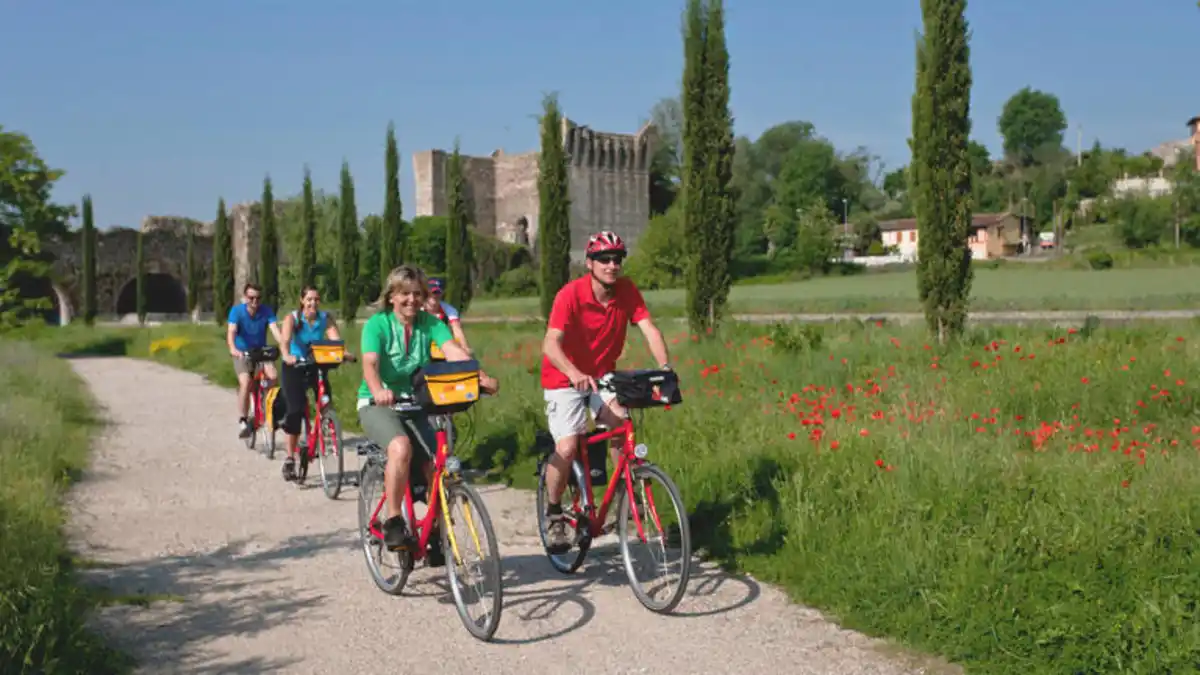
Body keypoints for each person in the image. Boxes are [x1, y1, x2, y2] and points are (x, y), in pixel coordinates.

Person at [539, 231, 671, 553]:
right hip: (563, 377)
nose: (612, 265)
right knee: (567, 447)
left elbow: (649, 329)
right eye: (604, 259)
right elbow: (550, 343)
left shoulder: (626, 291)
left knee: (621, 423)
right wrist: (573, 372)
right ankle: (554, 513)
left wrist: (665, 368)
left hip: (601, 376)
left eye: (617, 259)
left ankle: (625, 493)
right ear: (590, 263)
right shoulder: (570, 295)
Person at [357, 265, 499, 559]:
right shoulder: (377, 325)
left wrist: (480, 377)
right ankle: (394, 520)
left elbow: (454, 352)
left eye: (417, 294)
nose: (412, 300)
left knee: (440, 463)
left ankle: (436, 530)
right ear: (391, 296)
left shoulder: (430, 323)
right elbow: (370, 364)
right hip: (378, 403)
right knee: (400, 447)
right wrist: (378, 390)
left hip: (415, 401)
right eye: (405, 294)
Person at [278, 285, 343, 482]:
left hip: (316, 363)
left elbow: (335, 340)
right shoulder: (293, 318)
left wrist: (343, 353)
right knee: (295, 410)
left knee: (326, 400)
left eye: (316, 299)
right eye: (309, 299)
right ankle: (290, 458)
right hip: (295, 365)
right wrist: (286, 355)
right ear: (302, 301)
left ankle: (325, 429)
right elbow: (285, 340)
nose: (313, 303)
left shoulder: (325, 318)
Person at [227, 283, 284, 438]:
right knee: (246, 382)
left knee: (273, 377)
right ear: (245, 298)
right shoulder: (237, 311)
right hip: (242, 352)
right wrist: (233, 348)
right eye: (251, 298)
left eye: (258, 298)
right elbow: (231, 332)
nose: (254, 301)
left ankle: (267, 407)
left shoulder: (266, 311)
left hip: (261, 352)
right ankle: (243, 419)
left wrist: (284, 346)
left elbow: (275, 331)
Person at [423, 276, 473, 356]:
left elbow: (457, 329)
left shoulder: (449, 310)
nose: (434, 296)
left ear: (442, 293)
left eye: (437, 293)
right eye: (430, 293)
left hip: (441, 346)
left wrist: (465, 347)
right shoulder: (418, 309)